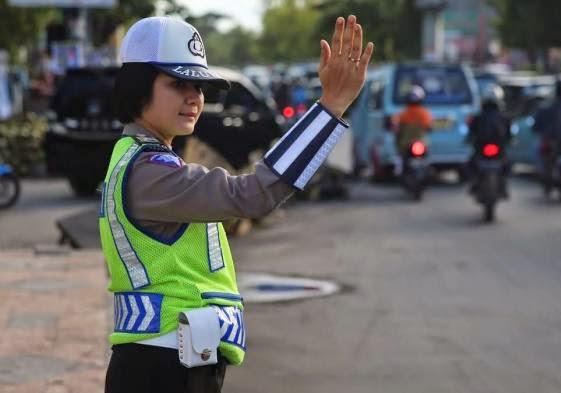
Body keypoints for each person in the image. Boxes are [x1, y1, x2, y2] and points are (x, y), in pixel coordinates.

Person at [101, 15, 373, 393]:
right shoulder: (150, 171)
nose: (193, 97)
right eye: (177, 83)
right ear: (137, 86)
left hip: (169, 360)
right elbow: (253, 194)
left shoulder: (137, 157)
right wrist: (330, 108)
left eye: (198, 86)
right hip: (162, 367)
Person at [464, 86, 511, 193]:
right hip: (488, 149)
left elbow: (471, 133)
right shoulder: (504, 117)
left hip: (488, 148)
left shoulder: (478, 117)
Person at [393, 85, 432, 174]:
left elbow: (397, 129)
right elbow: (429, 127)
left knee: (400, 155)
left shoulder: (403, 114)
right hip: (419, 143)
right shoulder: (424, 113)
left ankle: (398, 169)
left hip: (406, 144)